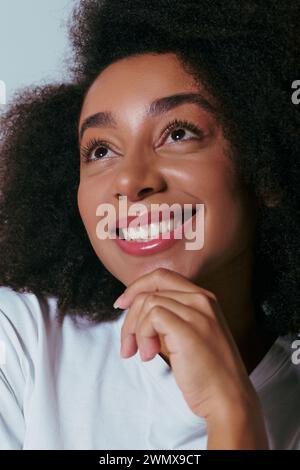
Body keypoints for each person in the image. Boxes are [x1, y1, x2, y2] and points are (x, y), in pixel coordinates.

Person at [0, 0, 299, 450]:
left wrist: (231, 410)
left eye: (178, 134)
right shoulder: (18, 343)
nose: (130, 181)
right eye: (100, 150)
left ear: (266, 169)